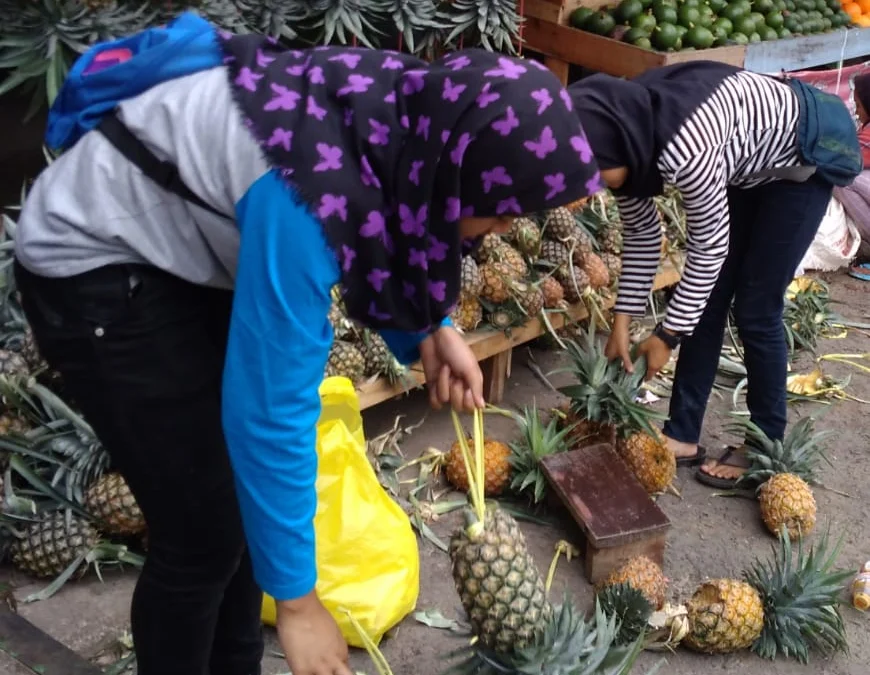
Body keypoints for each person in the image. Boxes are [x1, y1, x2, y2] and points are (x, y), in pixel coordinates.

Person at [12, 12, 601, 675]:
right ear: (463, 170)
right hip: (89, 260)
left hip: (182, 248)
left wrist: (434, 329)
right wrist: (297, 603)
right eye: (499, 207)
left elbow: (403, 216)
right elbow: (270, 411)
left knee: (230, 508)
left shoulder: (418, 113)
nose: (497, 227)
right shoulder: (304, 200)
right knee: (200, 532)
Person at [569, 61, 861, 488]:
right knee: (706, 299)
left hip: (804, 157)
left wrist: (666, 337)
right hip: (749, 162)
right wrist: (622, 323)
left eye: (595, 175)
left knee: (757, 307)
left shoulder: (684, 146)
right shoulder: (622, 137)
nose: (595, 186)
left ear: (612, 149)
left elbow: (710, 250)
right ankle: (683, 434)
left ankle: (764, 446)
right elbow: (643, 235)